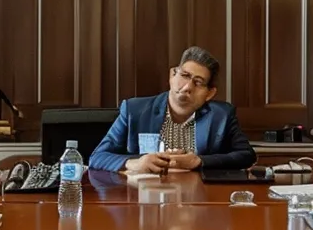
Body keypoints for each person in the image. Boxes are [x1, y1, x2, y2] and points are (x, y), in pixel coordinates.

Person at [90, 46, 256, 173]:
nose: (186, 87)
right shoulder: (135, 111)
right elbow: (97, 157)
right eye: (184, 76)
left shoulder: (221, 116)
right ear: (172, 75)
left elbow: (246, 156)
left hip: (199, 201)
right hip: (144, 202)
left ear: (209, 93)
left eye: (198, 82)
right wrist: (135, 163)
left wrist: (199, 161)